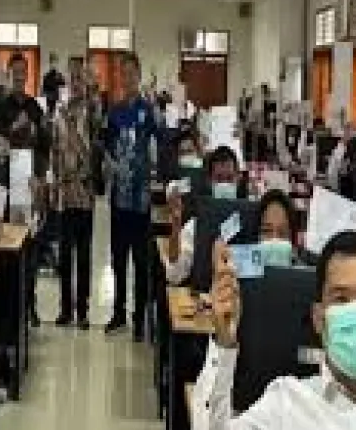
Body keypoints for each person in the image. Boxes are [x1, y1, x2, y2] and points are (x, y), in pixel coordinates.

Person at [193, 231, 356, 429]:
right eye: (340, 299)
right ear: (318, 318)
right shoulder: (286, 404)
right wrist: (224, 343)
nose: (355, 312)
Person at [104, 52, 165, 339]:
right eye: (123, 73)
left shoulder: (149, 111)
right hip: (119, 196)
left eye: (132, 73)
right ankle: (118, 313)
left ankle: (140, 319)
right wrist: (109, 164)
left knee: (141, 261)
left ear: (139, 76)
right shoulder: (114, 112)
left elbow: (162, 143)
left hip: (141, 199)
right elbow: (105, 146)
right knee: (118, 258)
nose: (127, 79)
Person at [0, 51, 50, 326]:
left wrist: (40, 177)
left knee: (31, 246)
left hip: (29, 187)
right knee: (9, 248)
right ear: (9, 74)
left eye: (22, 73)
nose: (19, 77)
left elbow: (44, 148)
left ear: (27, 75)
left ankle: (30, 305)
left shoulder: (35, 108)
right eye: (14, 72)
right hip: (7, 187)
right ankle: (9, 309)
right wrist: (12, 129)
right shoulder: (0, 107)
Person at [52, 59, 94, 330]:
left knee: (84, 255)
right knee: (65, 255)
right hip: (65, 193)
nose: (77, 83)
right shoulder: (60, 111)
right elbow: (55, 149)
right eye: (73, 78)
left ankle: (83, 311)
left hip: (85, 194)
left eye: (81, 78)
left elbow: (95, 149)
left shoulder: (92, 111)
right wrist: (55, 181)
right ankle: (65, 309)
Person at [162, 145, 242, 285]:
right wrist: (176, 224)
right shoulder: (196, 225)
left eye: (229, 179)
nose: (224, 184)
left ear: (238, 179)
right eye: (219, 179)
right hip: (206, 295)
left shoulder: (249, 221)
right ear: (210, 182)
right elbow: (174, 274)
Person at [41, 52, 66, 116]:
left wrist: (62, 99)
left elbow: (63, 87)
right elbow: (44, 90)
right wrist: (49, 95)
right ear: (50, 62)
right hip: (50, 101)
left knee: (59, 115)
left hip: (58, 100)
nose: (54, 64)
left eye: (55, 62)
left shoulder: (59, 75)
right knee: (51, 114)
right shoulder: (47, 76)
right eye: (52, 62)